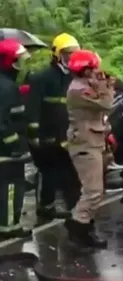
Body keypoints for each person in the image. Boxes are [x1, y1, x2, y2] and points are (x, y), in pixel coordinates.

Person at [26, 33, 81, 222]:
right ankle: (44, 207)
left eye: (73, 54)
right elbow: (32, 107)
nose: (70, 58)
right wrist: (34, 135)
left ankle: (62, 206)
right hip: (46, 134)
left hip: (66, 134)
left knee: (66, 171)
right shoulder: (41, 78)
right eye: (67, 54)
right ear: (56, 54)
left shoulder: (74, 78)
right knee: (47, 172)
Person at [63, 49, 114, 248]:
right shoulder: (79, 90)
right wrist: (106, 86)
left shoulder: (85, 85)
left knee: (94, 190)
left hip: (93, 141)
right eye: (93, 68)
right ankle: (78, 226)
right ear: (85, 70)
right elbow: (106, 103)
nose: (97, 71)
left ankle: (84, 225)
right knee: (93, 191)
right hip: (85, 144)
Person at [0, 39, 32, 239]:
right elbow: (3, 122)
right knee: (11, 187)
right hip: (6, 151)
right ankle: (10, 228)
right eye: (17, 62)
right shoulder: (7, 88)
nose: (19, 67)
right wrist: (15, 145)